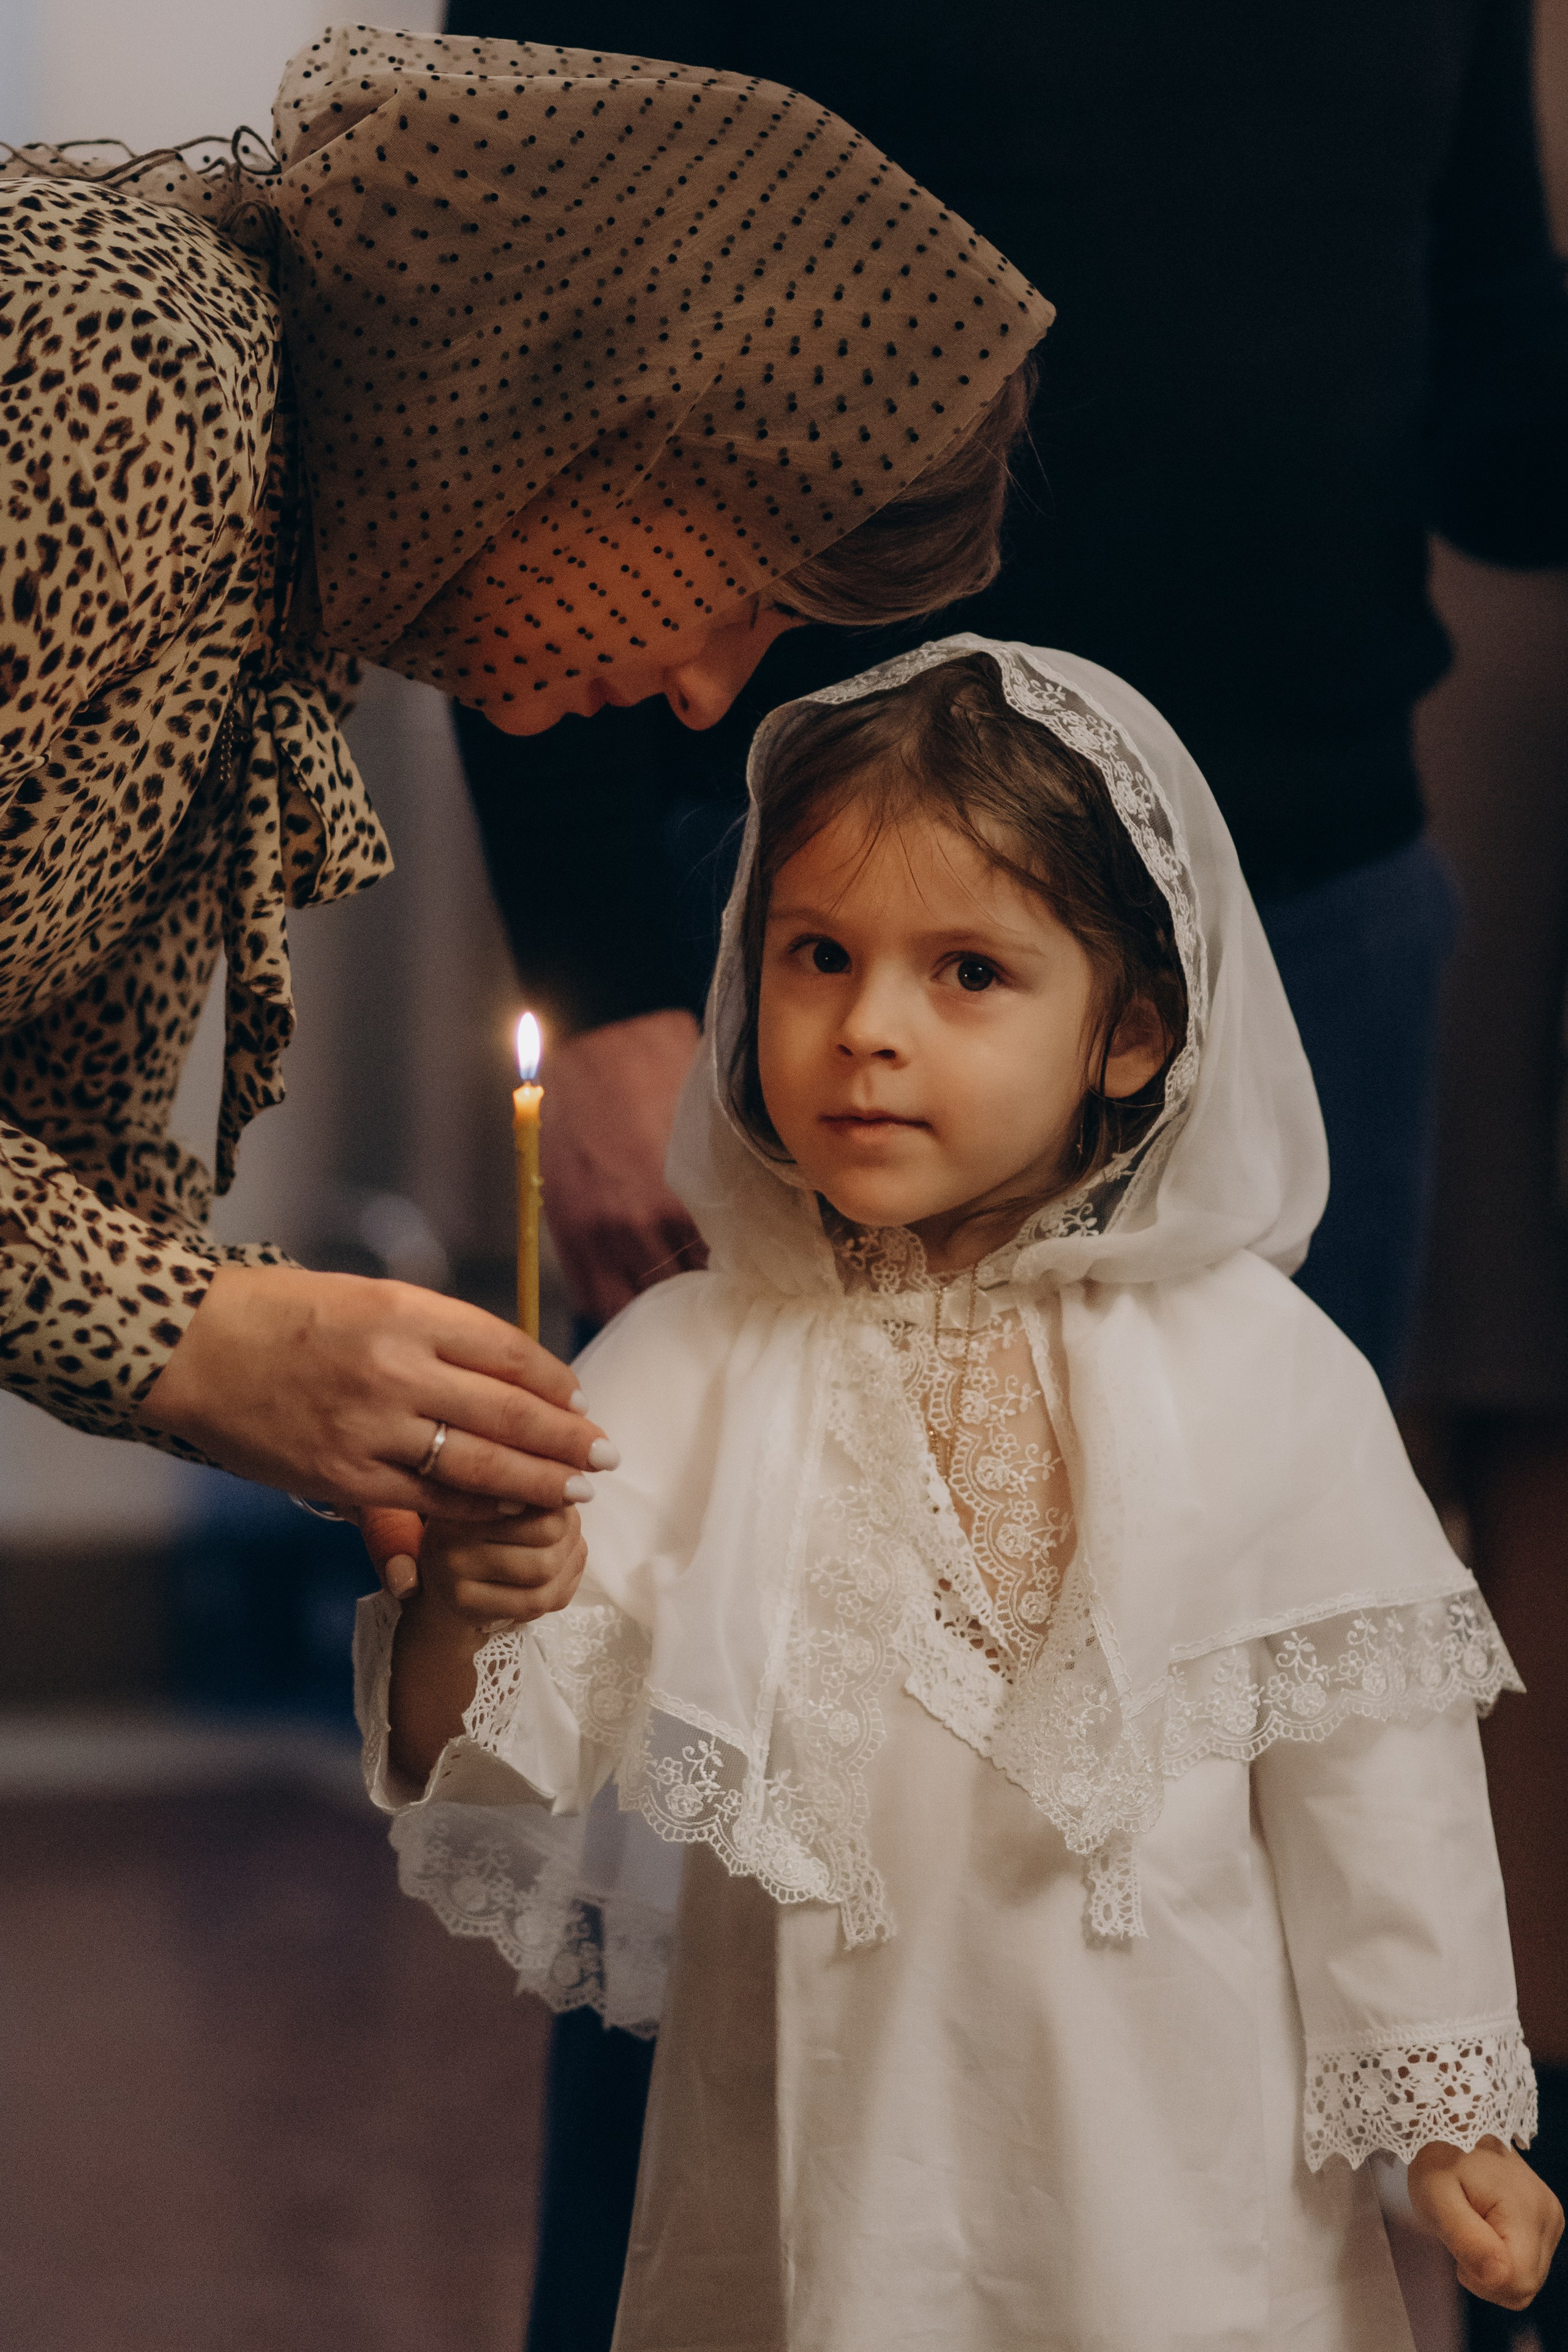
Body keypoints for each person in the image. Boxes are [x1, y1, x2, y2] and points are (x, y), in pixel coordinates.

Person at [358, 641, 1562, 2350]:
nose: (865, 1031)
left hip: (1183, 2188)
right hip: (824, 2180)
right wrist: (468, 1604)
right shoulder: (692, 1356)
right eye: (819, 955)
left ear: (1129, 1031)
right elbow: (503, 1745)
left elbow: (1373, 1777)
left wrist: (1454, 2116)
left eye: (969, 972)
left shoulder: (1267, 1371)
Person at [0, 26, 1050, 1522]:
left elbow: (72, 1176)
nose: (702, 696)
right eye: (747, 595)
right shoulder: (138, 367)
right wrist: (204, 1340)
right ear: (600, 404)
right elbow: (136, 1304)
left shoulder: (289, 581)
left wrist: (374, 1411)